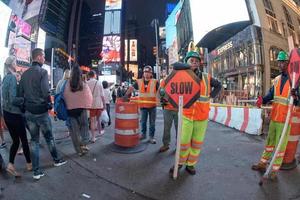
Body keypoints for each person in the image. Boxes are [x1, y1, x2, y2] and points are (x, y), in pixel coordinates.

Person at [170, 50, 222, 175]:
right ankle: (179, 163)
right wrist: (187, 67)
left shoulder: (206, 77)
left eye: (196, 61)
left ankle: (190, 164)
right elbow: (175, 65)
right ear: (186, 62)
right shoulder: (182, 75)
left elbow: (219, 85)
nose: (194, 63)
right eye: (191, 61)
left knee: (196, 143)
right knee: (183, 141)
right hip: (186, 115)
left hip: (202, 116)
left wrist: (211, 96)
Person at [19, 48, 67, 180]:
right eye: (43, 56)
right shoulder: (43, 72)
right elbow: (46, 91)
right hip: (41, 112)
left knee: (34, 141)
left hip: (29, 112)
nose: (44, 58)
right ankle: (56, 160)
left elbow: (20, 94)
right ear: (39, 57)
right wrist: (49, 104)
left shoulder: (24, 74)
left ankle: (36, 171)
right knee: (49, 138)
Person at [252, 51, 291, 180]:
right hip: (275, 117)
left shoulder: (295, 80)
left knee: (280, 147)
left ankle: (274, 170)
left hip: (285, 120)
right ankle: (263, 164)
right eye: (279, 62)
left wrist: (297, 96)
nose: (280, 64)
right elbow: (271, 95)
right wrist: (262, 100)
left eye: (283, 62)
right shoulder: (278, 79)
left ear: (288, 63)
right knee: (269, 143)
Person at [2, 56, 32, 177]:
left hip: (7, 114)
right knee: (24, 140)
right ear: (11, 65)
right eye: (15, 62)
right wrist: (24, 99)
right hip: (15, 114)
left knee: (15, 141)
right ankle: (29, 164)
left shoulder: (4, 78)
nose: (16, 64)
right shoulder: (12, 78)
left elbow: (6, 98)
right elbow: (14, 99)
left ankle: (10, 164)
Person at [124, 66, 159, 144]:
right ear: (143, 73)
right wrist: (126, 95)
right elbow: (131, 88)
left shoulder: (155, 82)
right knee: (143, 122)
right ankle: (143, 135)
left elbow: (161, 91)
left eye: (148, 72)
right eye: (145, 72)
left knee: (152, 123)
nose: (146, 74)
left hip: (152, 106)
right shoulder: (138, 82)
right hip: (143, 106)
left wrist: (164, 99)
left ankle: (151, 137)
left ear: (151, 74)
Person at [64, 64, 92, 156]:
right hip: (81, 110)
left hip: (70, 111)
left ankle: (78, 151)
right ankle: (84, 144)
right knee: (84, 128)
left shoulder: (67, 84)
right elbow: (89, 97)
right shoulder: (83, 84)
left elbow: (63, 96)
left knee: (74, 132)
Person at [158, 66, 178, 153]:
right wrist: (163, 102)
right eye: (171, 69)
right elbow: (160, 92)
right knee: (167, 128)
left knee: (179, 129)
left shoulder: (181, 80)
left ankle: (179, 146)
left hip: (178, 108)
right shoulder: (164, 80)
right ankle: (166, 144)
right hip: (168, 108)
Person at [87, 70, 105, 142]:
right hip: (98, 104)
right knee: (98, 119)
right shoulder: (99, 83)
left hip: (90, 104)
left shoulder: (86, 83)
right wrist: (104, 104)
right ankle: (100, 131)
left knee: (92, 121)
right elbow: (102, 95)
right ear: (94, 75)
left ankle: (93, 137)